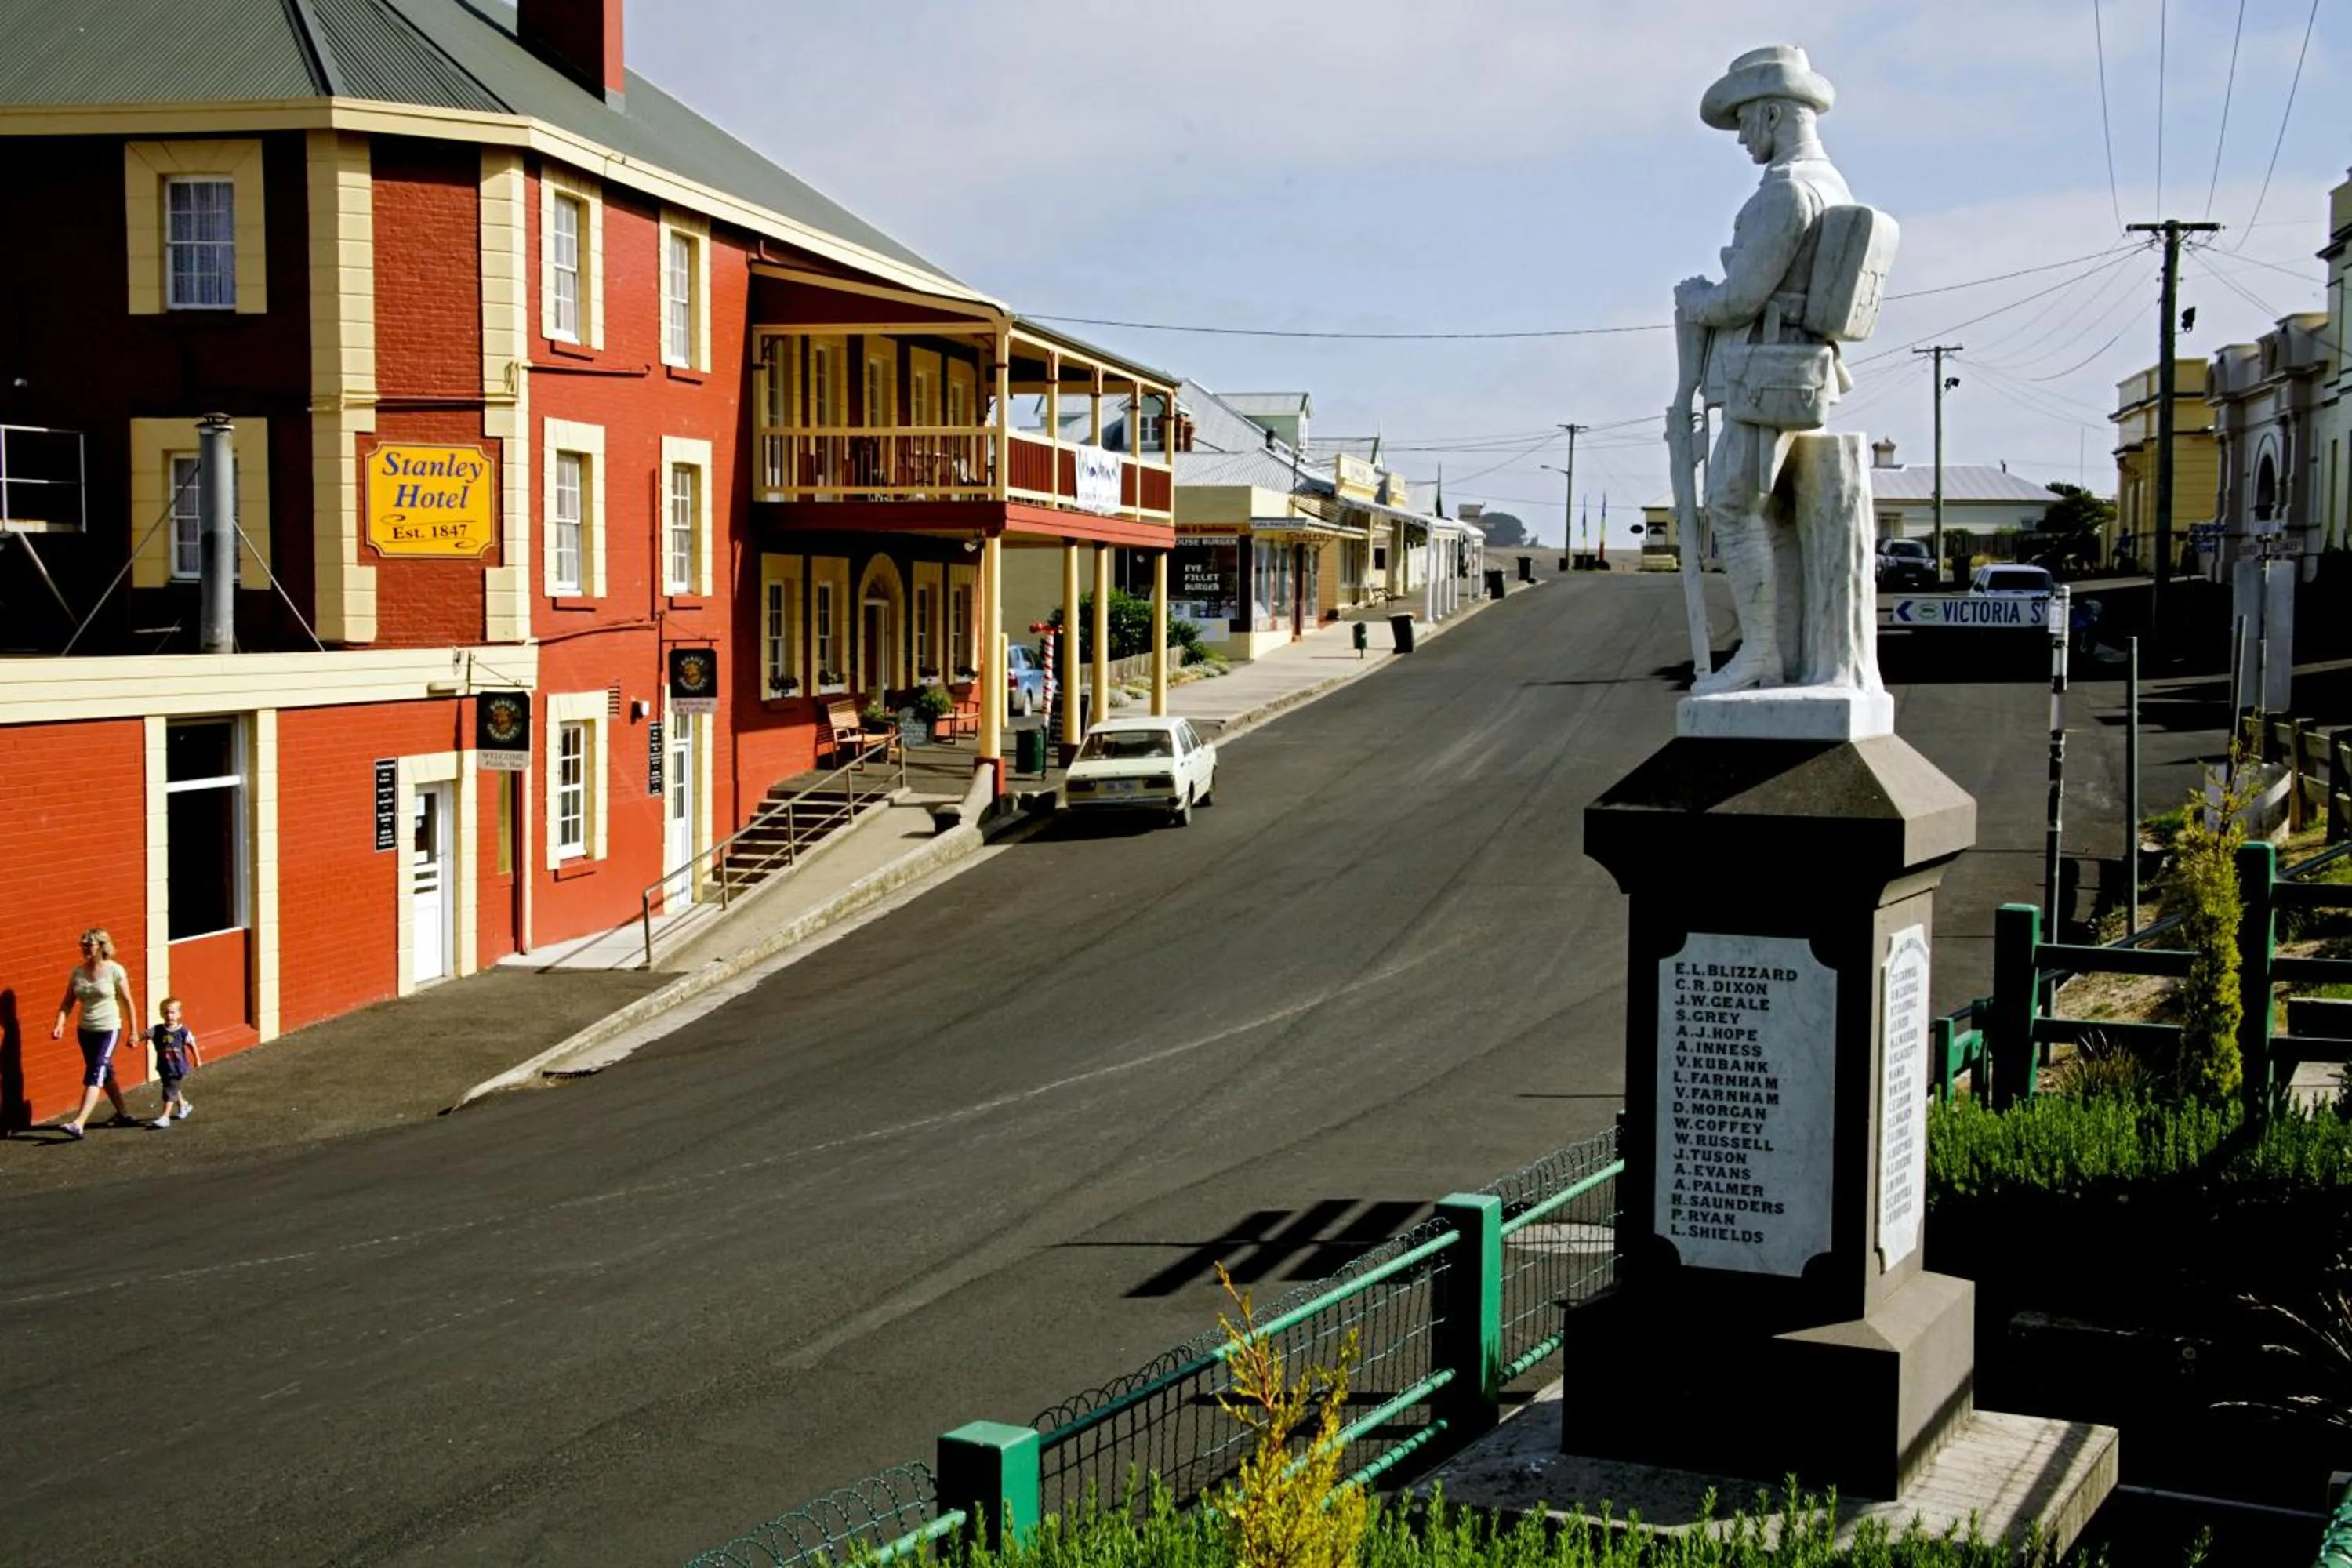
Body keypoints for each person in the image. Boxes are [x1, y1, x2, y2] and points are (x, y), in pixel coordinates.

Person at [51, 927, 136, 1140]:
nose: (85, 949)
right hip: (85, 1030)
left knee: (95, 1072)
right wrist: (60, 1024)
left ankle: (78, 1123)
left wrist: (134, 1031)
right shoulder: (77, 973)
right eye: (83, 945)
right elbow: (67, 1002)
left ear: (101, 946)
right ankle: (123, 1114)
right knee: (104, 1071)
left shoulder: (115, 970)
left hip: (108, 1028)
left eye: (89, 945)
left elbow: (128, 1002)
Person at [147, 996, 201, 1128]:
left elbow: (192, 1044)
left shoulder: (183, 1031)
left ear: (179, 1014)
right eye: (166, 1012)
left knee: (169, 1090)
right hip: (164, 1066)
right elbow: (145, 1035)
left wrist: (197, 1059)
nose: (169, 1016)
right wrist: (135, 1039)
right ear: (161, 1014)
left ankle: (165, 1117)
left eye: (172, 1012)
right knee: (172, 1088)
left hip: (177, 1067)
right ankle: (184, 1105)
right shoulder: (158, 1029)